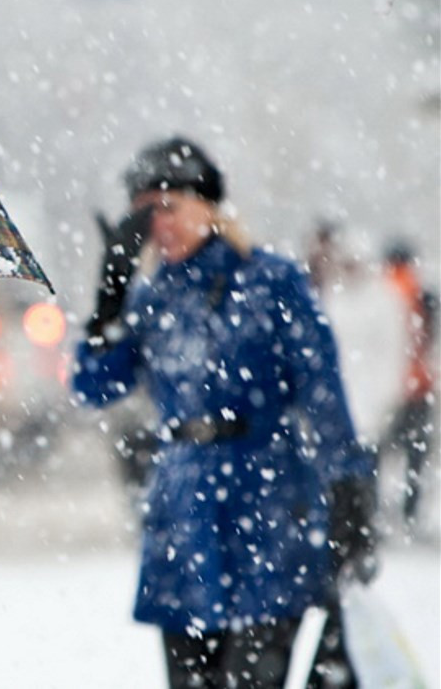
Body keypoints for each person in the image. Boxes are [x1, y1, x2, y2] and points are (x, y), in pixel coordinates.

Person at [72, 137, 377, 688]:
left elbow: (322, 390)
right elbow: (93, 386)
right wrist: (108, 299)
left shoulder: (271, 281)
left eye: (169, 206)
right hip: (183, 512)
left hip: (268, 502)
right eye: (143, 213)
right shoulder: (151, 298)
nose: (157, 225)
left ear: (208, 205)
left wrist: (349, 488)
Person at [382, 242, 438, 527]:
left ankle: (372, 514)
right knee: (415, 457)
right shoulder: (420, 291)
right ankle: (409, 514)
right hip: (419, 386)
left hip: (386, 390)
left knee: (379, 453)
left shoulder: (382, 291)